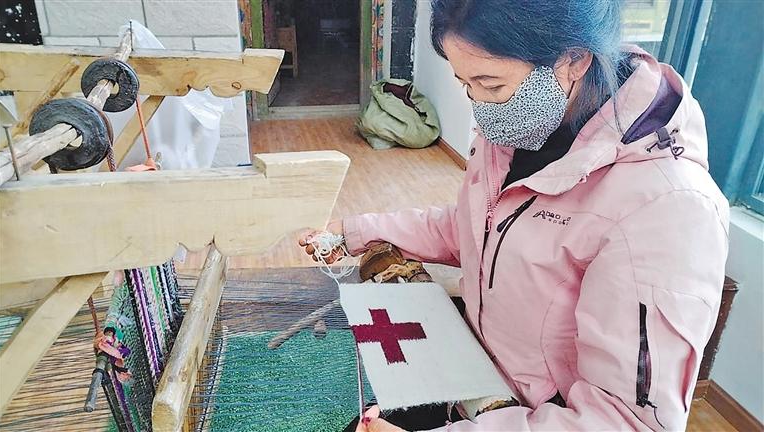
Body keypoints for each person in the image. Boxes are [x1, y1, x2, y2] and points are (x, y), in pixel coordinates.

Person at [299, 0, 729, 430]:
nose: (479, 107)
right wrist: (356, 231)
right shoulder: (518, 128)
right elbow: (478, 228)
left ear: (574, 60)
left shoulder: (667, 209)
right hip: (472, 374)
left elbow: (625, 421)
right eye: (464, 84)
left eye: (490, 84)